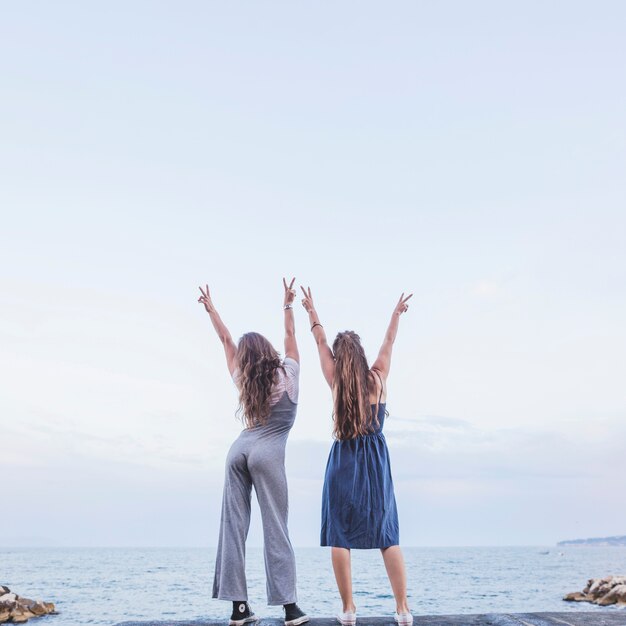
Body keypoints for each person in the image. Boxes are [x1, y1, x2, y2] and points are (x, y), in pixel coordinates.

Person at [198, 279, 309, 626]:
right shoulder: (288, 373)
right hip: (269, 449)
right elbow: (291, 338)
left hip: (239, 449)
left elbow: (226, 340)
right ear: (268, 351)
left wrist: (212, 311)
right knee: (276, 526)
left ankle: (239, 610)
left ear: (247, 359)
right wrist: (287, 305)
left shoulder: (242, 379)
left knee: (233, 526)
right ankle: (290, 609)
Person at [300, 286, 414, 626]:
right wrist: (395, 314)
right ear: (361, 355)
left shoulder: (335, 380)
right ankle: (403, 610)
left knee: (340, 534)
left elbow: (320, 343)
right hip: (376, 463)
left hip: (344, 460)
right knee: (387, 535)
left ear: (339, 358)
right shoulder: (377, 377)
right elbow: (389, 343)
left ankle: (348, 609)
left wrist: (311, 311)